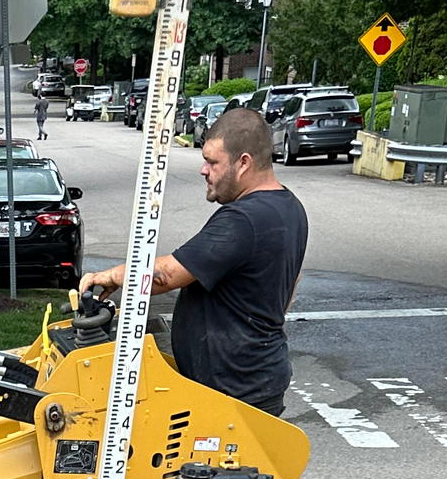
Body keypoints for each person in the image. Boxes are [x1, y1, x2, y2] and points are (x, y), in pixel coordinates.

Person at [78, 102, 306, 415]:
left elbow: (167, 275)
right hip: (256, 380)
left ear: (243, 163)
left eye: (212, 162)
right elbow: (290, 287)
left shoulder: (243, 220)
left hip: (234, 393)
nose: (203, 170)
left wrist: (110, 277)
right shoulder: (290, 207)